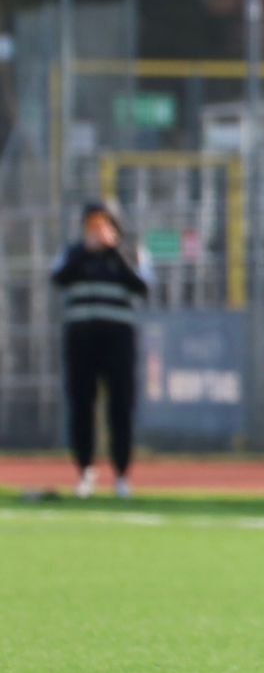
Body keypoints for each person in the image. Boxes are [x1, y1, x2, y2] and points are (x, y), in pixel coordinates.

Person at [50, 199, 150, 499]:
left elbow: (143, 286)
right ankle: (85, 471)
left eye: (104, 223)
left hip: (118, 341)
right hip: (81, 340)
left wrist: (115, 251)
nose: (97, 230)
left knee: (121, 407)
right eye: (92, 224)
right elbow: (58, 278)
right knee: (81, 405)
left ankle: (121, 475)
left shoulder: (131, 254)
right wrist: (86, 251)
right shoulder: (73, 254)